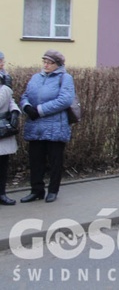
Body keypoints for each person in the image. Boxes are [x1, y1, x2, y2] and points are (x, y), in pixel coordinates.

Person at [20, 49, 75, 203]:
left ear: (57, 64)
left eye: (49, 62)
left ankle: (53, 190)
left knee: (55, 161)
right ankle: (36, 190)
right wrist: (26, 107)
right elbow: (24, 95)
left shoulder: (65, 78)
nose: (45, 65)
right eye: (44, 61)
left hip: (55, 126)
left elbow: (65, 100)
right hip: (35, 126)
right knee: (35, 160)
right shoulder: (36, 77)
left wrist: (40, 110)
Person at [0, 80, 20, 205]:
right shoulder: (5, 87)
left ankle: (2, 193)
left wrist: (14, 111)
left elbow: (10, 100)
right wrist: (7, 88)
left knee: (2, 166)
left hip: (3, 128)